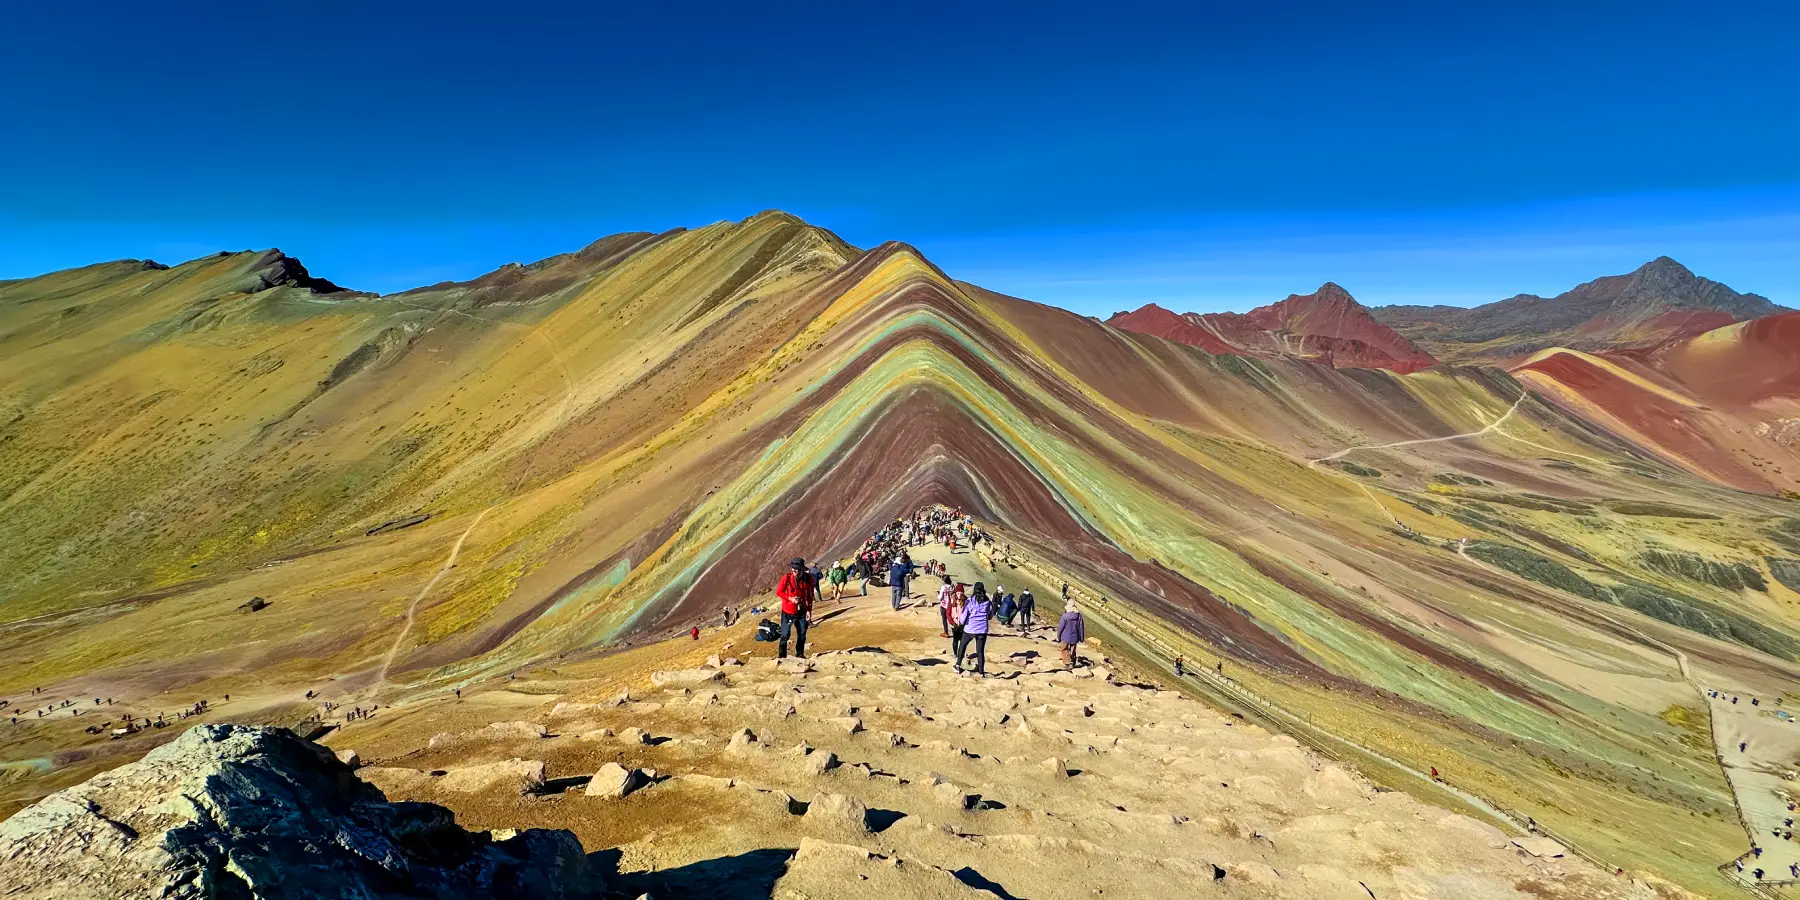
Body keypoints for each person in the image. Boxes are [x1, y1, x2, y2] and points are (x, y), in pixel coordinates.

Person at [775, 557, 815, 659]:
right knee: (785, 634)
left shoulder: (808, 578)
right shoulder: (786, 578)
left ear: (802, 569)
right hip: (788, 611)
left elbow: (810, 596)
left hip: (802, 611)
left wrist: (809, 610)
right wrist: (790, 599)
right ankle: (782, 656)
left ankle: (800, 653)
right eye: (792, 568)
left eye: (796, 568)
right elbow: (779, 592)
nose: (794, 570)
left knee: (802, 633)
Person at [956, 583, 995, 676]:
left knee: (962, 646)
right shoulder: (988, 602)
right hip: (982, 629)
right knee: (980, 651)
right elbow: (990, 616)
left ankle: (958, 665)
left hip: (970, 629)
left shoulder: (969, 602)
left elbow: (962, 619)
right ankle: (981, 672)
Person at [1057, 602, 1085, 668]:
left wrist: (1059, 636)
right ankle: (1072, 662)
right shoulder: (1079, 616)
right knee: (1073, 650)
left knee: (1064, 649)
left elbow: (1061, 627)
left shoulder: (1065, 616)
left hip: (1065, 636)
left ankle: (1068, 662)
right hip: (1075, 637)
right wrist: (1081, 638)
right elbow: (1081, 627)